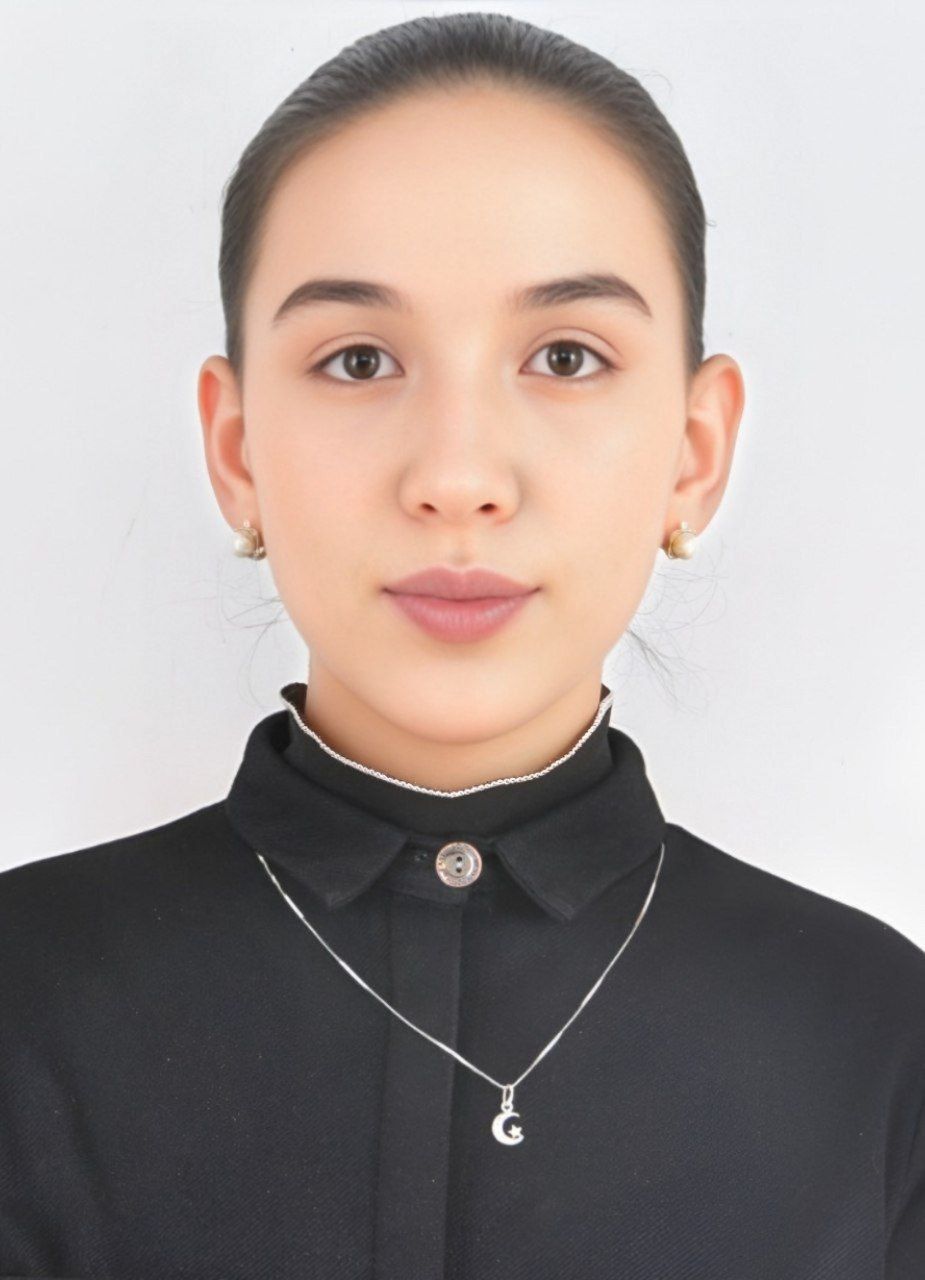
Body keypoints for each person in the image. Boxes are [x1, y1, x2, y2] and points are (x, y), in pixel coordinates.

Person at [1, 11, 922, 1279]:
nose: (456, 475)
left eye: (565, 355)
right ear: (237, 447)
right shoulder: (24, 998)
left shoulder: (876, 1042)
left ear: (694, 451)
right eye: (358, 359)